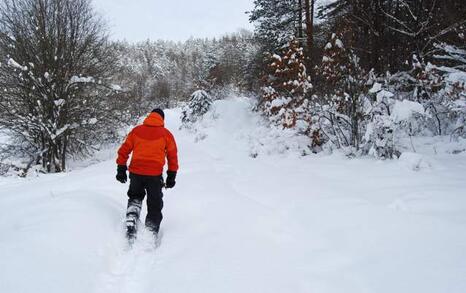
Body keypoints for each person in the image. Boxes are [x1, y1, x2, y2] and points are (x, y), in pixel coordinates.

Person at [115, 108, 178, 240]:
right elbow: (172, 157)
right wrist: (171, 176)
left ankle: (132, 216)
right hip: (154, 175)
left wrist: (121, 168)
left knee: (135, 197)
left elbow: (124, 150)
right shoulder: (166, 134)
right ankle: (151, 230)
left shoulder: (137, 131)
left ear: (150, 116)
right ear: (162, 119)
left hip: (136, 173)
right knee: (154, 203)